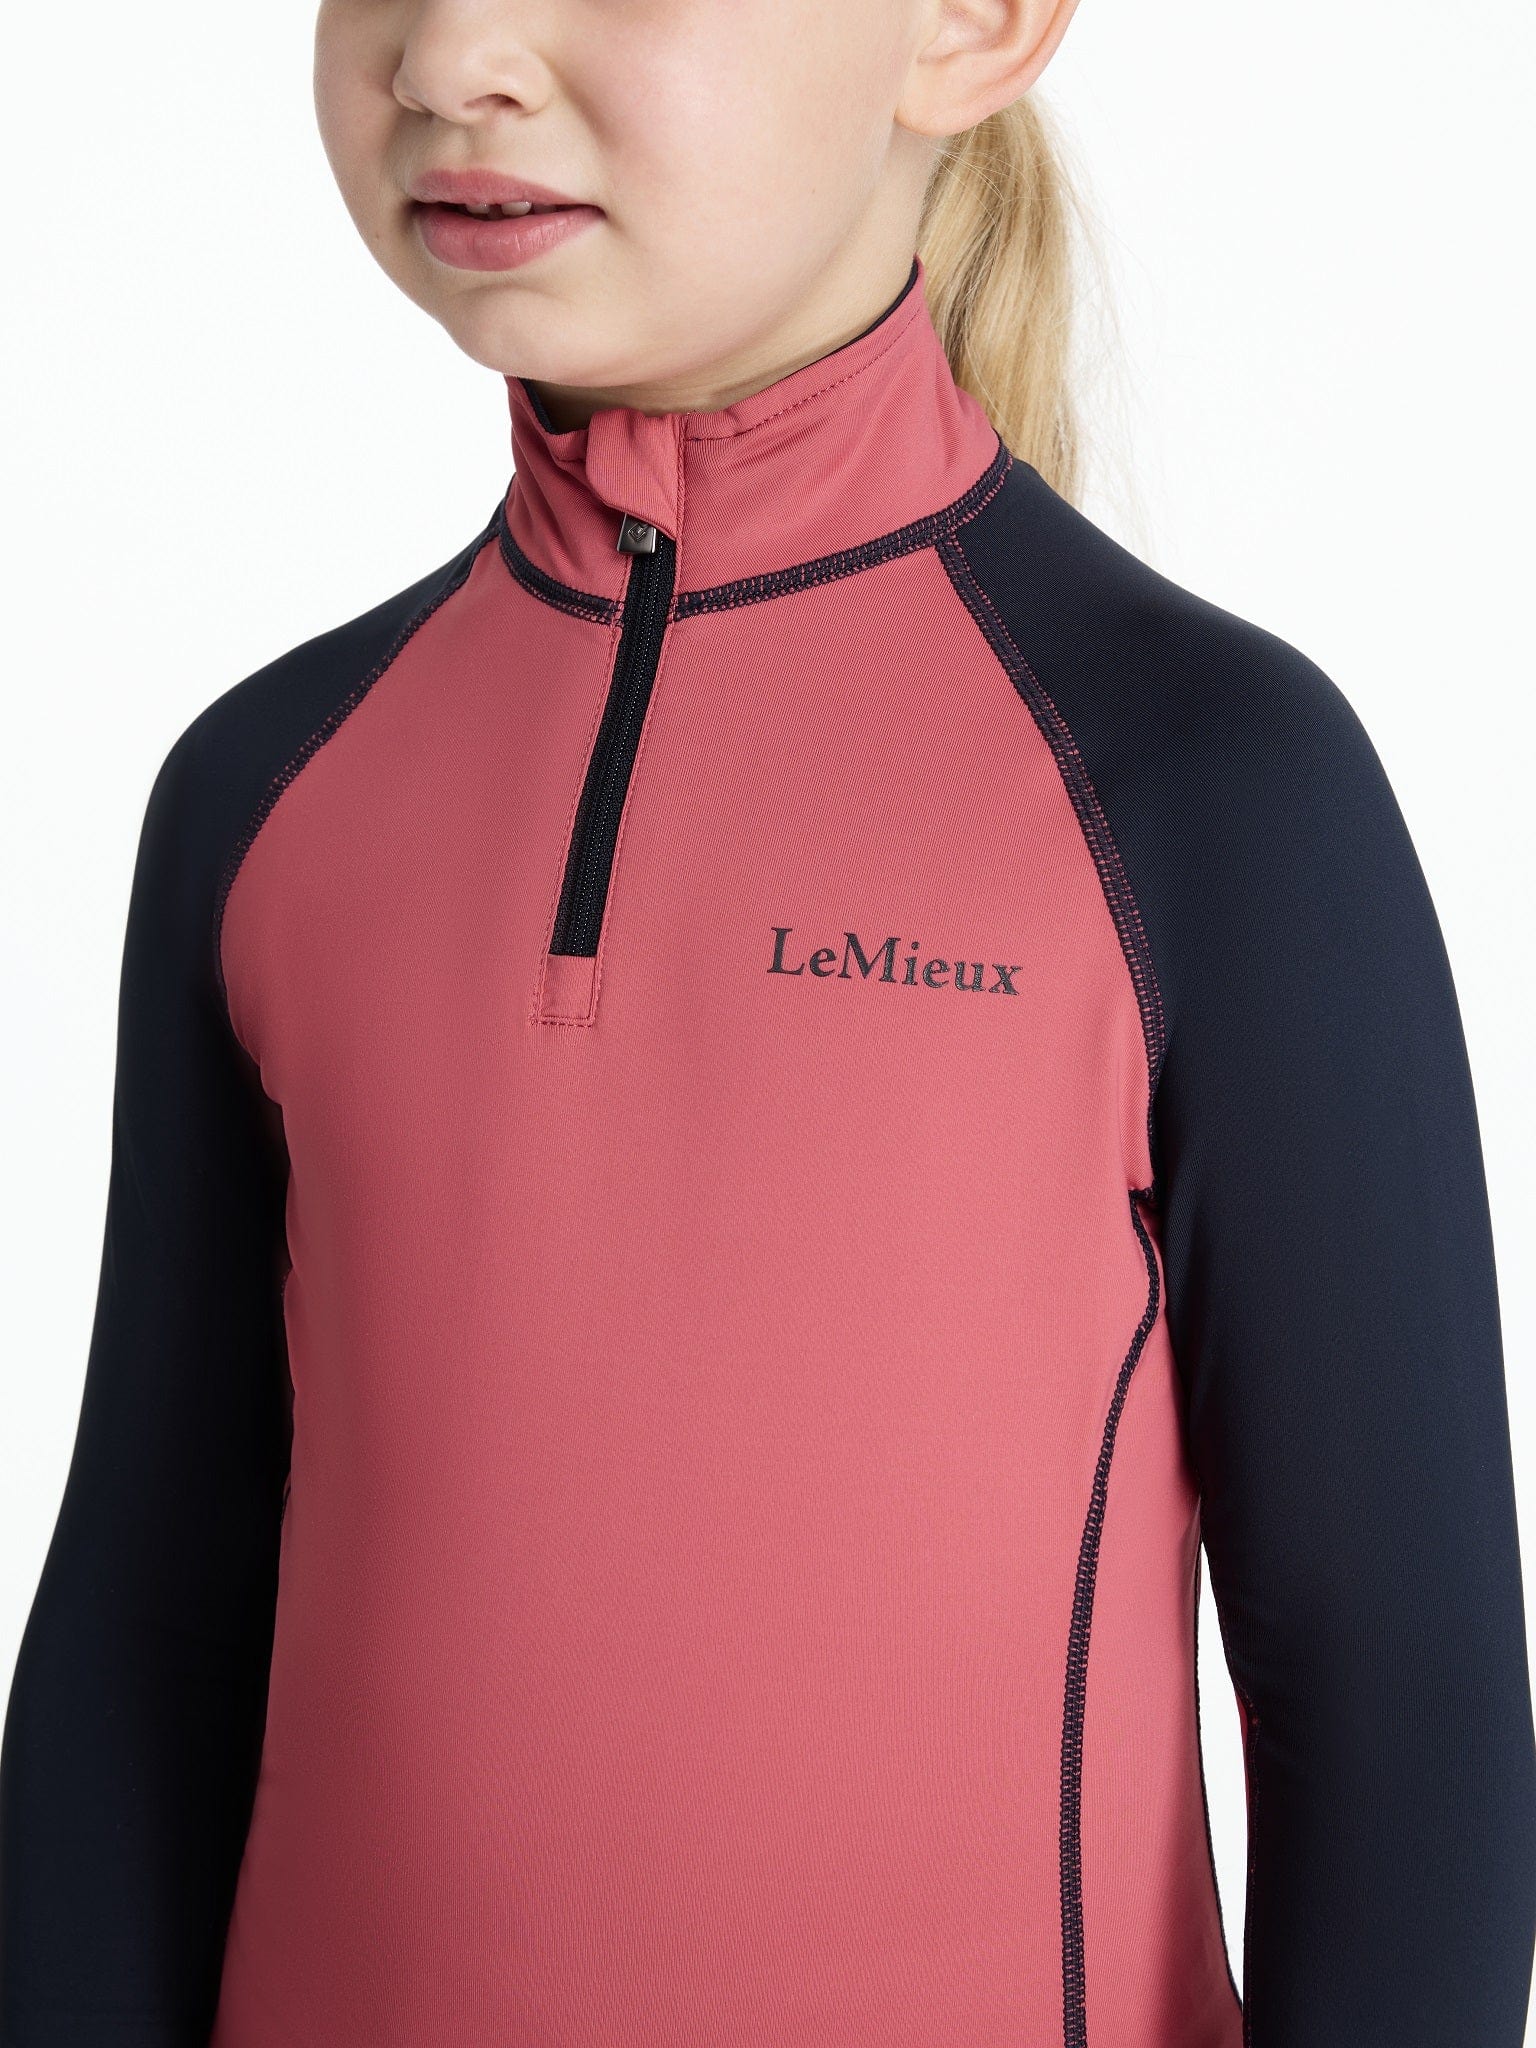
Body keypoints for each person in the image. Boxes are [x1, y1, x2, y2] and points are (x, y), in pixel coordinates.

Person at [3, 0, 1534, 2042]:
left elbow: (1402, 1709)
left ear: (969, 28)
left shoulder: (1208, 787)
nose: (451, 56)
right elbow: (143, 1642)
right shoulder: (268, 792)